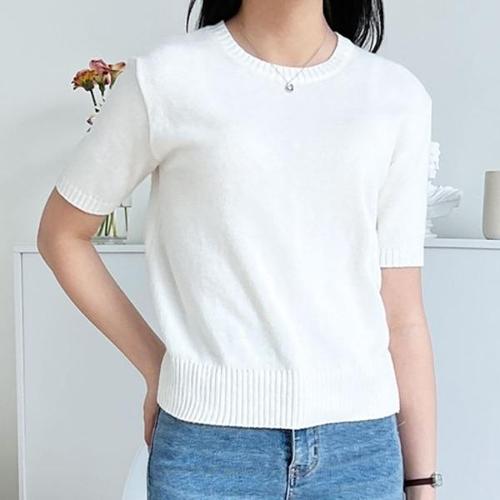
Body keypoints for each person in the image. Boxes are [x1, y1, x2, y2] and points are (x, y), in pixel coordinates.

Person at [37, 0, 441, 499]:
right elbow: (61, 234)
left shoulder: (396, 97)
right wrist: (156, 364)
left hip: (362, 454)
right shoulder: (167, 79)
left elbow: (403, 315)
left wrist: (422, 482)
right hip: (208, 451)